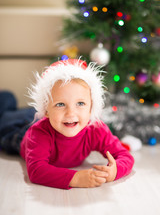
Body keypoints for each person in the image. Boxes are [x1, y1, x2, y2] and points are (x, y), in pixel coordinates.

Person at [2, 59, 134, 189]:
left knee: (20, 109)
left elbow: (125, 156)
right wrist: (75, 178)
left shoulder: (95, 129)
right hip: (17, 133)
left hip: (45, 118)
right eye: (60, 104)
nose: (71, 113)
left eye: (80, 103)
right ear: (46, 110)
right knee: (5, 112)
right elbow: (36, 170)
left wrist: (115, 171)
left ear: (91, 107)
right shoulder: (38, 133)